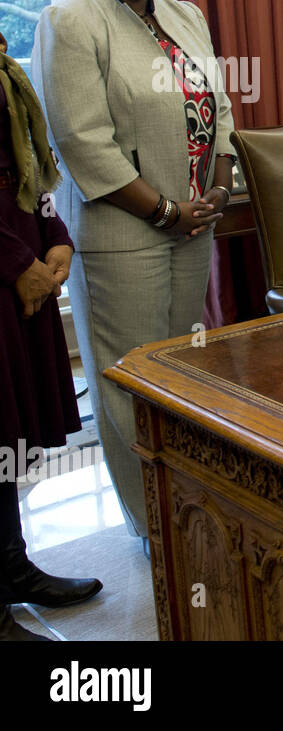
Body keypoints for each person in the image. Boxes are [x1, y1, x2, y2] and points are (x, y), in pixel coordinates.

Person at [31, 0, 236, 541]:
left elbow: (220, 111)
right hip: (124, 229)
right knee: (128, 379)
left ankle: (187, 506)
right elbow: (81, 139)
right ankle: (152, 527)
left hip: (192, 221)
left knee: (178, 367)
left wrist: (219, 185)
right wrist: (165, 210)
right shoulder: (71, 21)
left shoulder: (186, 14)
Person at [0, 35, 103, 641]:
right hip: (8, 270)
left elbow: (25, 168)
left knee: (7, 433)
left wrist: (56, 232)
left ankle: (12, 567)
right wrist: (18, 262)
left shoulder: (6, 70)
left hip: (21, 273)